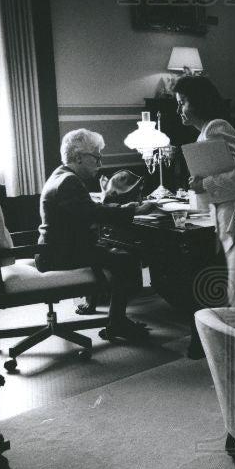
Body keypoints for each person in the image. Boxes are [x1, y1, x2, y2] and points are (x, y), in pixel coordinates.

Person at [37, 129, 155, 341]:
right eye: (97, 157)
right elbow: (93, 213)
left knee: (116, 253)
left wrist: (117, 207)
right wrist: (134, 210)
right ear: (79, 156)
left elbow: (84, 211)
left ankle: (112, 317)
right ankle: (117, 323)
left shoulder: (60, 175)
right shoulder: (69, 182)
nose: (100, 164)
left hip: (56, 248)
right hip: (62, 254)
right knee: (127, 259)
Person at [174, 76, 235, 311]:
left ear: (199, 101)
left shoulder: (217, 126)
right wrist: (200, 185)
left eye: (183, 102)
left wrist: (205, 183)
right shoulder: (203, 134)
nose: (178, 109)